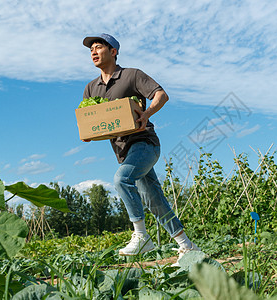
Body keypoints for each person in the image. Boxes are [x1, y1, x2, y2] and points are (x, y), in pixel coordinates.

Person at [81, 33, 199, 265]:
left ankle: (141, 236)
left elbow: (161, 95)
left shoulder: (131, 75)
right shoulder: (91, 88)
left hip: (145, 143)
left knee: (121, 180)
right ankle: (187, 246)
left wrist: (146, 114)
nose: (93, 52)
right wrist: (88, 132)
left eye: (98, 47)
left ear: (113, 51)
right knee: (154, 199)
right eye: (91, 49)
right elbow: (87, 116)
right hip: (124, 152)